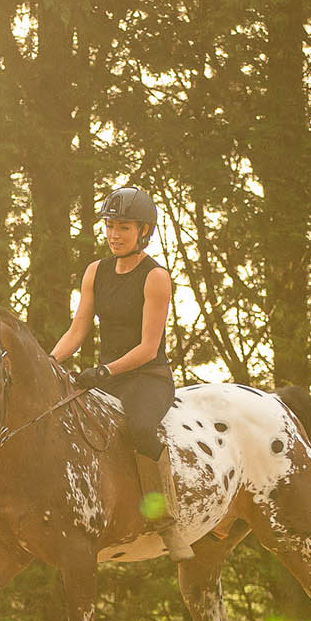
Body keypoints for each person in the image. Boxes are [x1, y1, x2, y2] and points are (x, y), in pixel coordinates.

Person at [49, 186, 191, 561]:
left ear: (144, 231)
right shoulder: (96, 271)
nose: (113, 234)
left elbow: (147, 347)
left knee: (141, 428)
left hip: (147, 377)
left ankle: (167, 521)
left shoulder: (156, 277)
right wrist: (50, 362)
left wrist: (104, 369)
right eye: (110, 226)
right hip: (106, 376)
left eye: (123, 227)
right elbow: (78, 328)